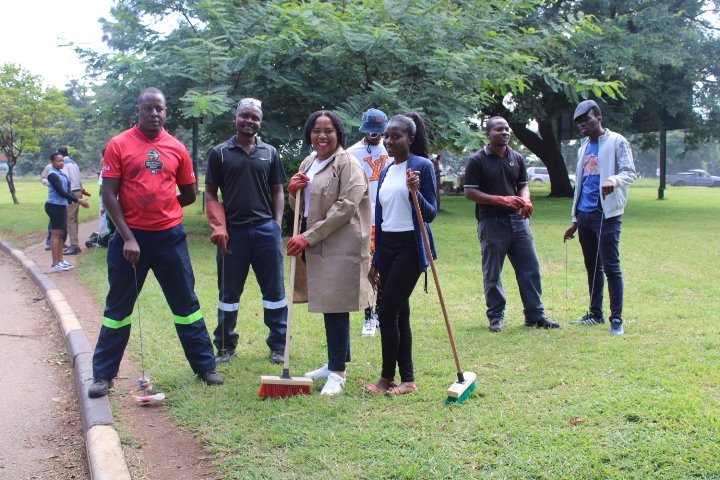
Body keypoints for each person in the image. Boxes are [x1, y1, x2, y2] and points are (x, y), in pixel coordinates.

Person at [88, 87, 223, 398]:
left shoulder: (176, 148)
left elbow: (189, 194)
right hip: (129, 241)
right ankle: (103, 376)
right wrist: (129, 237)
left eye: (159, 109)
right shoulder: (119, 144)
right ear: (138, 110)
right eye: (148, 108)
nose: (154, 114)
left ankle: (205, 367)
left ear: (166, 112)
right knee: (117, 309)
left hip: (170, 239)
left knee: (186, 305)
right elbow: (109, 194)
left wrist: (164, 207)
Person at [287, 110, 372, 396]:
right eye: (316, 130)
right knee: (329, 303)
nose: (321, 136)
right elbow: (301, 207)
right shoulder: (309, 162)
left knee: (336, 306)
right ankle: (335, 362)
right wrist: (291, 191)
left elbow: (346, 207)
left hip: (341, 243)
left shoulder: (349, 164)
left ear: (339, 134)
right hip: (319, 242)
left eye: (328, 130)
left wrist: (308, 238)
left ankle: (338, 373)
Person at [205, 97, 288, 364]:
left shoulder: (270, 152)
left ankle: (278, 345)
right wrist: (218, 225)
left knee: (274, 292)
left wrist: (276, 225)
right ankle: (226, 345)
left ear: (260, 122)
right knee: (228, 294)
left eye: (255, 117)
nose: (249, 121)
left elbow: (278, 190)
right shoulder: (219, 153)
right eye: (245, 116)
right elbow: (209, 192)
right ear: (236, 118)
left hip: (265, 231)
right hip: (233, 235)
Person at [463, 116, 559, 332]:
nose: (505, 132)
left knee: (530, 268)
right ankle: (496, 317)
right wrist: (500, 199)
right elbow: (469, 192)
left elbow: (523, 185)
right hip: (491, 222)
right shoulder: (477, 160)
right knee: (493, 272)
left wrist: (526, 199)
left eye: (507, 129)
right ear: (488, 134)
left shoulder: (517, 157)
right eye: (499, 129)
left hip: (518, 221)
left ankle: (535, 315)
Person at [364, 113, 437, 396]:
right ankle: (407, 379)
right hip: (388, 246)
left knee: (388, 311)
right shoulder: (386, 170)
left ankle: (385, 378)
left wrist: (415, 192)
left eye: (396, 136)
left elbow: (430, 214)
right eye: (387, 136)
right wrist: (376, 261)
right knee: (400, 314)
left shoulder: (422, 166)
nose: (390, 141)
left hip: (410, 246)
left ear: (411, 139)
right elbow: (380, 220)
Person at [563, 100, 636, 336]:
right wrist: (574, 219)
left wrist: (612, 180)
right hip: (585, 215)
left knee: (611, 268)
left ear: (599, 118)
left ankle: (617, 320)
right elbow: (580, 185)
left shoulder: (617, 141)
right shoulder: (583, 147)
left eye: (587, 120)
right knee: (592, 267)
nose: (583, 125)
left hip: (607, 214)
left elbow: (630, 173)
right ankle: (595, 314)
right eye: (579, 123)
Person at [346, 108, 392, 337]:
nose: (374, 137)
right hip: (364, 220)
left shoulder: (393, 149)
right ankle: (368, 315)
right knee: (366, 269)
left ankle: (383, 313)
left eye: (378, 133)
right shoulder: (351, 153)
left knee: (384, 269)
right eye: (370, 132)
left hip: (388, 219)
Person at [44, 152, 90, 272]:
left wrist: (79, 198)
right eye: (58, 161)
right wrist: (78, 200)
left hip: (61, 206)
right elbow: (61, 192)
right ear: (52, 162)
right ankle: (55, 263)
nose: (61, 163)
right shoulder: (53, 175)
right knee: (56, 235)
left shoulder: (62, 173)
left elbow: (68, 191)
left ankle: (61, 260)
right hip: (54, 206)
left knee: (61, 235)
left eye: (62, 161)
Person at [57, 146, 86, 256]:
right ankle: (75, 244)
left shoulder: (64, 164)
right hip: (78, 191)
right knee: (74, 219)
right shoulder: (74, 163)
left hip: (71, 192)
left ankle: (74, 246)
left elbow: (65, 179)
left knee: (70, 219)